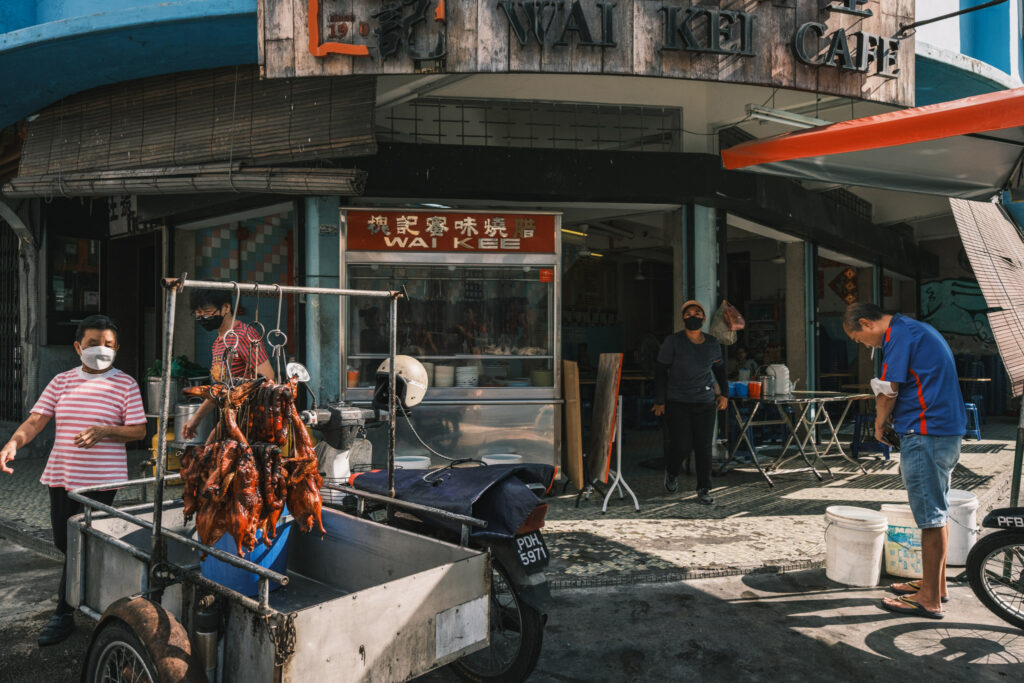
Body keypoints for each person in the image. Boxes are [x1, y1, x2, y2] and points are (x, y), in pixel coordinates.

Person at [0, 315, 147, 646]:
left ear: (118, 349)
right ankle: (85, 597)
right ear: (78, 347)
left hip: (101, 482)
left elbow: (139, 430)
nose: (101, 350)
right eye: (93, 344)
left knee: (84, 543)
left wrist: (105, 430)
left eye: (108, 345)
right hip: (62, 476)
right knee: (65, 543)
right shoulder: (62, 381)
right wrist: (13, 444)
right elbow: (36, 421)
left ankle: (63, 613)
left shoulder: (125, 384)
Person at [843, 302, 966, 619]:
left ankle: (928, 599)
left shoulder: (898, 336)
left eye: (860, 339)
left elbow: (889, 390)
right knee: (937, 508)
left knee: (930, 516)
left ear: (867, 324)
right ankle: (935, 585)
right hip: (942, 430)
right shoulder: (914, 329)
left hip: (926, 431)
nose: (865, 346)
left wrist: (879, 424)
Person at [652, 300, 728, 504]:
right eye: (688, 314)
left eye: (697, 313)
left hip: (705, 402)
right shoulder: (673, 341)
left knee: (703, 447)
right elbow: (660, 371)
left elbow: (720, 370)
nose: (693, 316)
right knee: (682, 445)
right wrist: (660, 400)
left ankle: (704, 488)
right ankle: (672, 470)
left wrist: (724, 394)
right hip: (678, 401)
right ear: (683, 318)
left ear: (703, 318)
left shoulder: (712, 343)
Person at [182, 289, 275, 440]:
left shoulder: (245, 335)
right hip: (230, 421)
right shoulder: (218, 343)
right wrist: (196, 419)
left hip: (250, 425)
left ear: (225, 308)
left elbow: (268, 378)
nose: (201, 317)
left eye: (207, 311)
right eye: (198, 313)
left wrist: (229, 423)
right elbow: (220, 389)